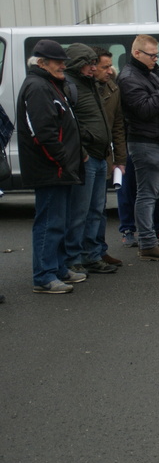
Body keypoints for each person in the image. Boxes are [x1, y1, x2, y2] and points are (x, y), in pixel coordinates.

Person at [17, 40, 86, 293]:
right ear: (41, 63)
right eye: (57, 61)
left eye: (63, 61)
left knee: (60, 221)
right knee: (49, 222)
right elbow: (42, 133)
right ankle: (44, 276)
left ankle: (57, 268)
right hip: (50, 168)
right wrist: (63, 160)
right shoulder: (37, 87)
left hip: (60, 167)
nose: (63, 65)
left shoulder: (49, 84)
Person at [118, 34, 159, 260]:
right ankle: (147, 243)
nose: (156, 60)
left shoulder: (147, 73)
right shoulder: (129, 78)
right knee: (147, 194)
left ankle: (151, 239)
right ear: (137, 53)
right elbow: (145, 110)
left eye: (157, 55)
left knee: (155, 193)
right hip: (145, 142)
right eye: (152, 55)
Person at [63, 43, 117, 274]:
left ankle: (92, 255)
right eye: (89, 64)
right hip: (85, 157)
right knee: (80, 212)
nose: (93, 68)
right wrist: (84, 147)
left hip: (99, 155)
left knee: (96, 210)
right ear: (77, 65)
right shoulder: (69, 85)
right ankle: (73, 258)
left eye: (94, 64)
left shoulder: (92, 84)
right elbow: (69, 123)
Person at [91, 47, 125, 267]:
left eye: (111, 66)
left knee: (99, 208)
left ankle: (99, 250)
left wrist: (120, 160)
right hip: (87, 157)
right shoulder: (84, 91)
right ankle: (85, 254)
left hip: (105, 156)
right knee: (86, 210)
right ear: (92, 68)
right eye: (105, 67)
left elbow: (118, 126)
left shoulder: (112, 89)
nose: (110, 71)